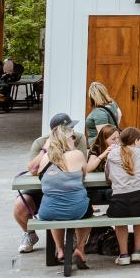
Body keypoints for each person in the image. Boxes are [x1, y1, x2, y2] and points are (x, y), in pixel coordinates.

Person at [13, 116, 87, 253]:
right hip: (45, 188)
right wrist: (44, 150)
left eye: (72, 127)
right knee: (20, 206)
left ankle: (72, 241)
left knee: (81, 200)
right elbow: (33, 170)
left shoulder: (78, 138)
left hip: (70, 187)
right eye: (68, 128)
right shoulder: (40, 142)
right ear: (57, 132)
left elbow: (81, 167)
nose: (72, 131)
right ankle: (29, 234)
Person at [34, 114, 93, 269]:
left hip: (47, 212)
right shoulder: (77, 155)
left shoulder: (45, 158)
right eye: (72, 137)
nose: (74, 139)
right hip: (76, 210)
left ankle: (60, 250)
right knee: (89, 209)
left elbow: (37, 172)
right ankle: (80, 248)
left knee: (56, 208)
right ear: (65, 140)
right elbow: (84, 174)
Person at [105, 127, 140, 265]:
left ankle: (124, 254)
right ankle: (137, 251)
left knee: (120, 219)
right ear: (136, 141)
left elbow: (108, 178)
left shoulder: (112, 154)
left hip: (119, 202)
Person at [84, 81, 121, 146]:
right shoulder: (113, 103)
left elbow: (103, 135)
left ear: (92, 96)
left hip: (98, 146)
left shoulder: (99, 112)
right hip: (113, 141)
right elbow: (120, 115)